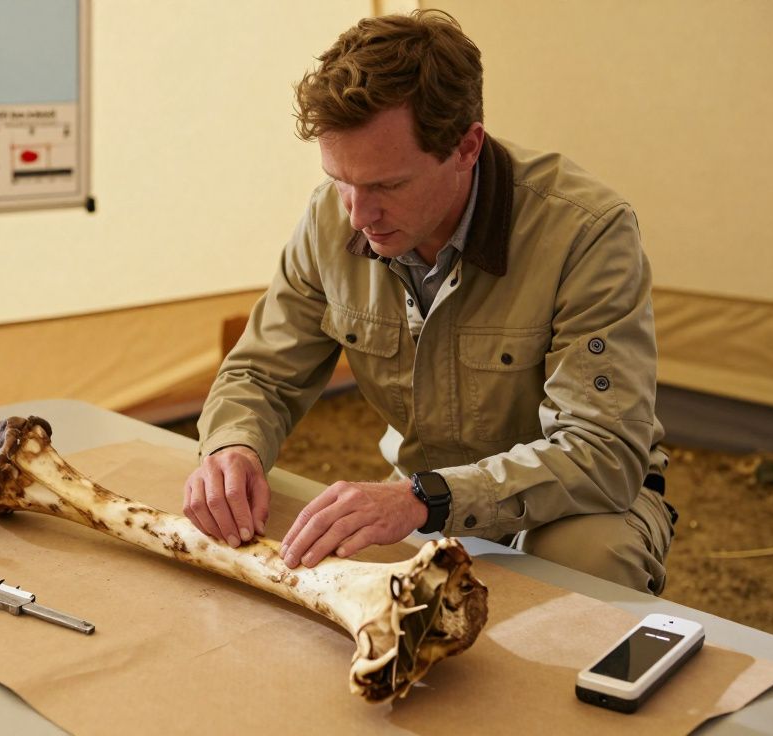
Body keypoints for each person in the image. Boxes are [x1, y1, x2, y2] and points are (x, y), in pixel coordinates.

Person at [182, 9, 675, 594]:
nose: (358, 217)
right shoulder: (329, 217)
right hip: (419, 494)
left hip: (577, 500)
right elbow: (260, 375)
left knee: (584, 562)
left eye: (387, 185)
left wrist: (421, 499)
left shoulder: (586, 232)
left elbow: (601, 455)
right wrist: (233, 446)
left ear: (466, 147)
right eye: (341, 179)